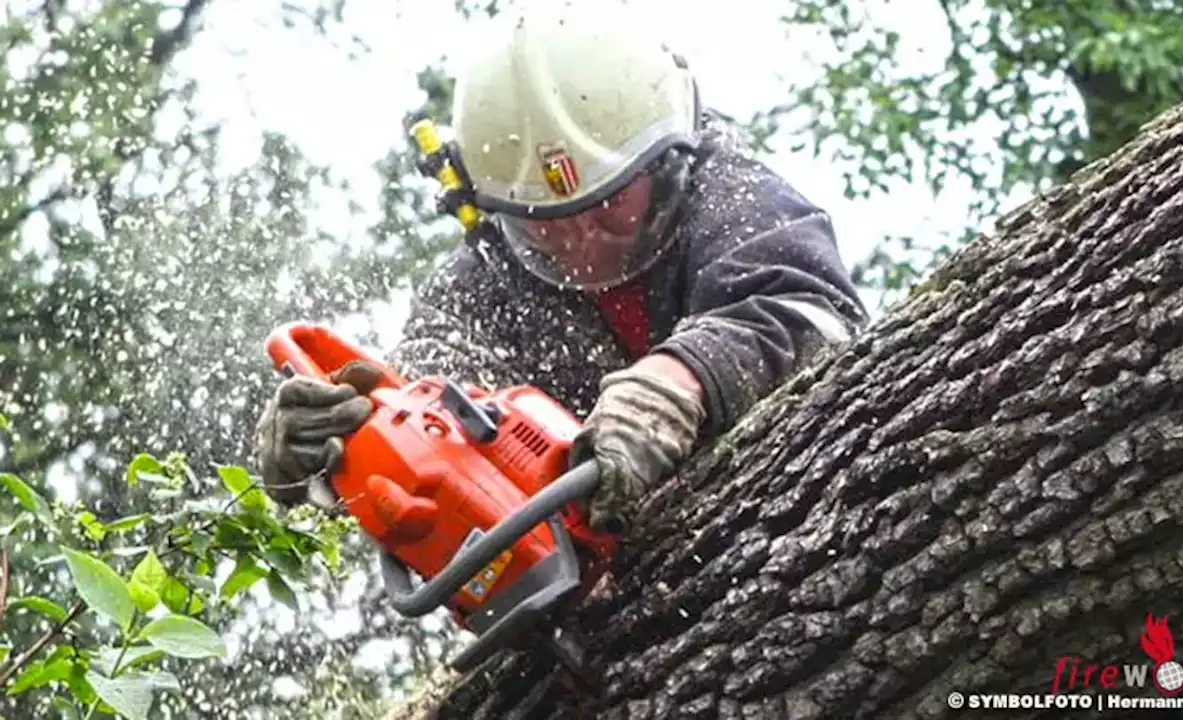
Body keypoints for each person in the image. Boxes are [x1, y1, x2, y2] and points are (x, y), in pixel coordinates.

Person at [253, 2, 870, 536]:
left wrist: (676, 386)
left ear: (661, 166)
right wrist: (344, 448)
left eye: (606, 204)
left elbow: (813, 313)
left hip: (797, 510)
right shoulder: (484, 283)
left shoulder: (727, 193)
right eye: (542, 219)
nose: (579, 238)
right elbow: (428, 412)